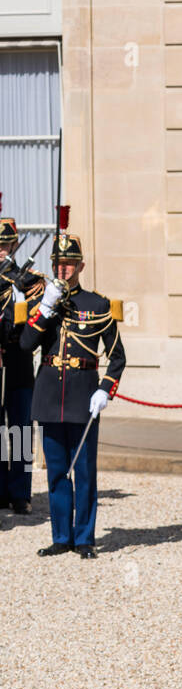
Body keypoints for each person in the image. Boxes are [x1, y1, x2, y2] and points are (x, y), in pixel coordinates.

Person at [19, 214, 125, 559]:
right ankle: (61, 536)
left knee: (84, 472)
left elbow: (118, 356)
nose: (64, 270)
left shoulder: (96, 305)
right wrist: (46, 306)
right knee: (56, 472)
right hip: (49, 396)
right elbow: (26, 344)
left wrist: (105, 389)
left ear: (81, 266)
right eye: (59, 264)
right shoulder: (41, 303)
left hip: (82, 396)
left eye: (70, 264)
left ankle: (85, 539)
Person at [0, 211, 44, 516]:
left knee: (20, 429)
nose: (2, 250)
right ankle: (2, 489)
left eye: (6, 245)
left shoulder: (26, 278)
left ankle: (21, 492)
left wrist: (15, 278)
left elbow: (42, 298)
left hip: (18, 361)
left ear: (15, 245)